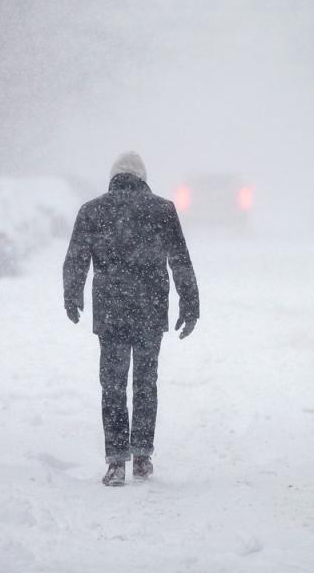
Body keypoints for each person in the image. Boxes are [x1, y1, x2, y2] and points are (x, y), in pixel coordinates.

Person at [63, 152, 200, 486]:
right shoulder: (162, 210)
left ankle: (115, 461)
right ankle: (141, 454)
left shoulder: (92, 211)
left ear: (113, 178)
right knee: (145, 383)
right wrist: (189, 304)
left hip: (111, 311)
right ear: (143, 178)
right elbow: (180, 260)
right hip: (149, 310)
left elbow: (76, 259)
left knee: (112, 385)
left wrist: (72, 295)